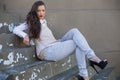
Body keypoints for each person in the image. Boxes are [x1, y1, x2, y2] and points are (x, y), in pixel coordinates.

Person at [13, 1, 108, 80]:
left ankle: (89, 62)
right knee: (77, 43)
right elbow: (16, 29)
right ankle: (89, 64)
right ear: (35, 12)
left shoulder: (43, 22)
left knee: (74, 31)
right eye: (39, 11)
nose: (41, 13)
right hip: (46, 51)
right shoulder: (30, 22)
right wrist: (25, 35)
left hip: (56, 44)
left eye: (43, 10)